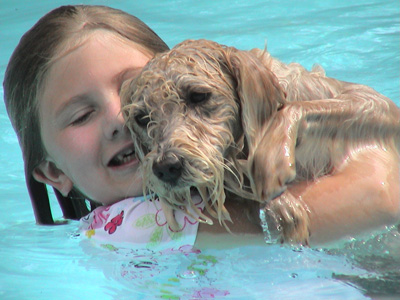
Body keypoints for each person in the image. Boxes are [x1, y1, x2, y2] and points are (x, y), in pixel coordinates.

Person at [3, 5, 398, 249]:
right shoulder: (125, 230)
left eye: (138, 93)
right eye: (81, 116)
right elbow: (382, 195)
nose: (122, 119)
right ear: (53, 172)